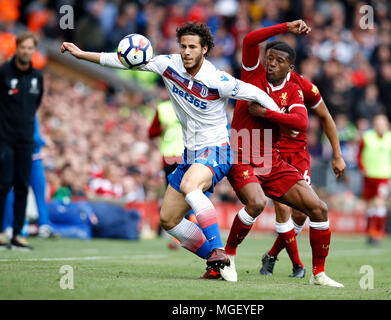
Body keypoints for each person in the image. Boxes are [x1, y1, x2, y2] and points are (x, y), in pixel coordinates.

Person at [61, 22, 287, 275]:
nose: (187, 52)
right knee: (168, 219)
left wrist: (280, 117)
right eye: (183, 46)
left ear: (205, 49)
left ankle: (218, 248)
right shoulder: (167, 64)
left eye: (192, 47)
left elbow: (256, 93)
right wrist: (81, 54)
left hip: (217, 149)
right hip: (190, 154)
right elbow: (124, 61)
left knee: (191, 186)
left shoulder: (218, 79)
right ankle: (216, 263)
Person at [221, 21, 344, 287]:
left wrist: (267, 113)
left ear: (290, 66)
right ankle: (228, 257)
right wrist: (286, 27)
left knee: (318, 209)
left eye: (278, 60)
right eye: (270, 58)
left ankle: (318, 274)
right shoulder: (252, 73)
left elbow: (302, 123)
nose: (272, 63)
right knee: (256, 203)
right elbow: (250, 39)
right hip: (242, 151)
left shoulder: (294, 88)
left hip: (270, 158)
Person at [0, 31, 44, 251]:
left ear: (34, 50)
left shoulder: (37, 77)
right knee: (3, 184)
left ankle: (18, 234)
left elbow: (35, 105)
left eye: (30, 48)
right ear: (16, 48)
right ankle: (0, 233)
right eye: (23, 47)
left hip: (26, 140)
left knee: (22, 187)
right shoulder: (3, 73)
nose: (26, 51)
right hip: (4, 138)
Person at [148, 96, 202, 250]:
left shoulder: (192, 104)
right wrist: (161, 130)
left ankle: (182, 232)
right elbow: (151, 132)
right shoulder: (163, 108)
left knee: (187, 193)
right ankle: (177, 231)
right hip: (170, 158)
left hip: (188, 156)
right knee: (172, 195)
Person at [2, 116, 57, 239]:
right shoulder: (11, 113)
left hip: (35, 160)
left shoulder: (32, 115)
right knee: (12, 192)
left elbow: (36, 139)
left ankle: (44, 225)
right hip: (18, 159)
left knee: (39, 193)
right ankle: (9, 226)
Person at [357, 114, 391, 245]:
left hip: (383, 176)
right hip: (368, 176)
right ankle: (370, 232)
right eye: (377, 123)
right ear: (374, 125)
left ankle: (378, 233)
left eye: (382, 123)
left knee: (379, 203)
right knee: (369, 205)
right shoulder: (367, 137)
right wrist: (361, 167)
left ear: (387, 125)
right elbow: (359, 154)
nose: (380, 126)